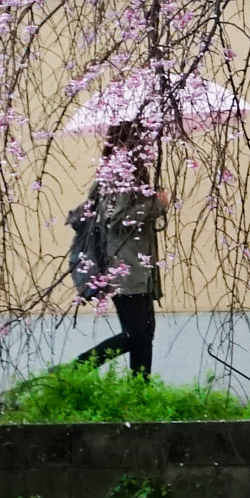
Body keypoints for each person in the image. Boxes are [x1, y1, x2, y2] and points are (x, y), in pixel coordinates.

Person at [70, 122, 171, 378]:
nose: (149, 145)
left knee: (144, 335)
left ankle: (140, 395)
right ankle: (75, 368)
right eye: (145, 139)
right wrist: (155, 205)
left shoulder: (128, 172)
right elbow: (117, 220)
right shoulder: (120, 173)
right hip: (125, 270)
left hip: (138, 270)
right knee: (136, 334)